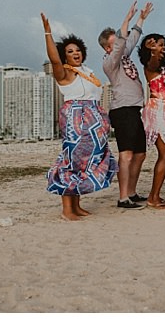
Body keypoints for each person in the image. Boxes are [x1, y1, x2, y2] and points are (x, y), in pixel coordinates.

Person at [41, 12, 118, 221]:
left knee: (85, 162)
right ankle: (67, 210)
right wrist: (48, 32)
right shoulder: (64, 72)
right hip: (76, 119)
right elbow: (54, 60)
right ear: (64, 55)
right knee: (72, 161)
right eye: (69, 51)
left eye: (77, 50)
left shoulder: (88, 71)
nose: (75, 53)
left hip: (93, 122)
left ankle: (76, 206)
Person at [98, 0, 153, 210]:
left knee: (140, 154)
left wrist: (141, 19)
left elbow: (131, 40)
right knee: (127, 154)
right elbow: (122, 43)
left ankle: (131, 191)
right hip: (122, 110)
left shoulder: (125, 57)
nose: (121, 42)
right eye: (116, 41)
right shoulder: (109, 63)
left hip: (136, 108)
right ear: (108, 47)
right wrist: (126, 20)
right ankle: (122, 198)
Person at [137, 32, 165, 209]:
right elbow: (152, 61)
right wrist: (153, 52)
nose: (162, 47)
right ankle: (153, 198)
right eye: (159, 44)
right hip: (159, 110)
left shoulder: (163, 68)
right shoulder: (150, 65)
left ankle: (155, 196)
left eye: (162, 45)